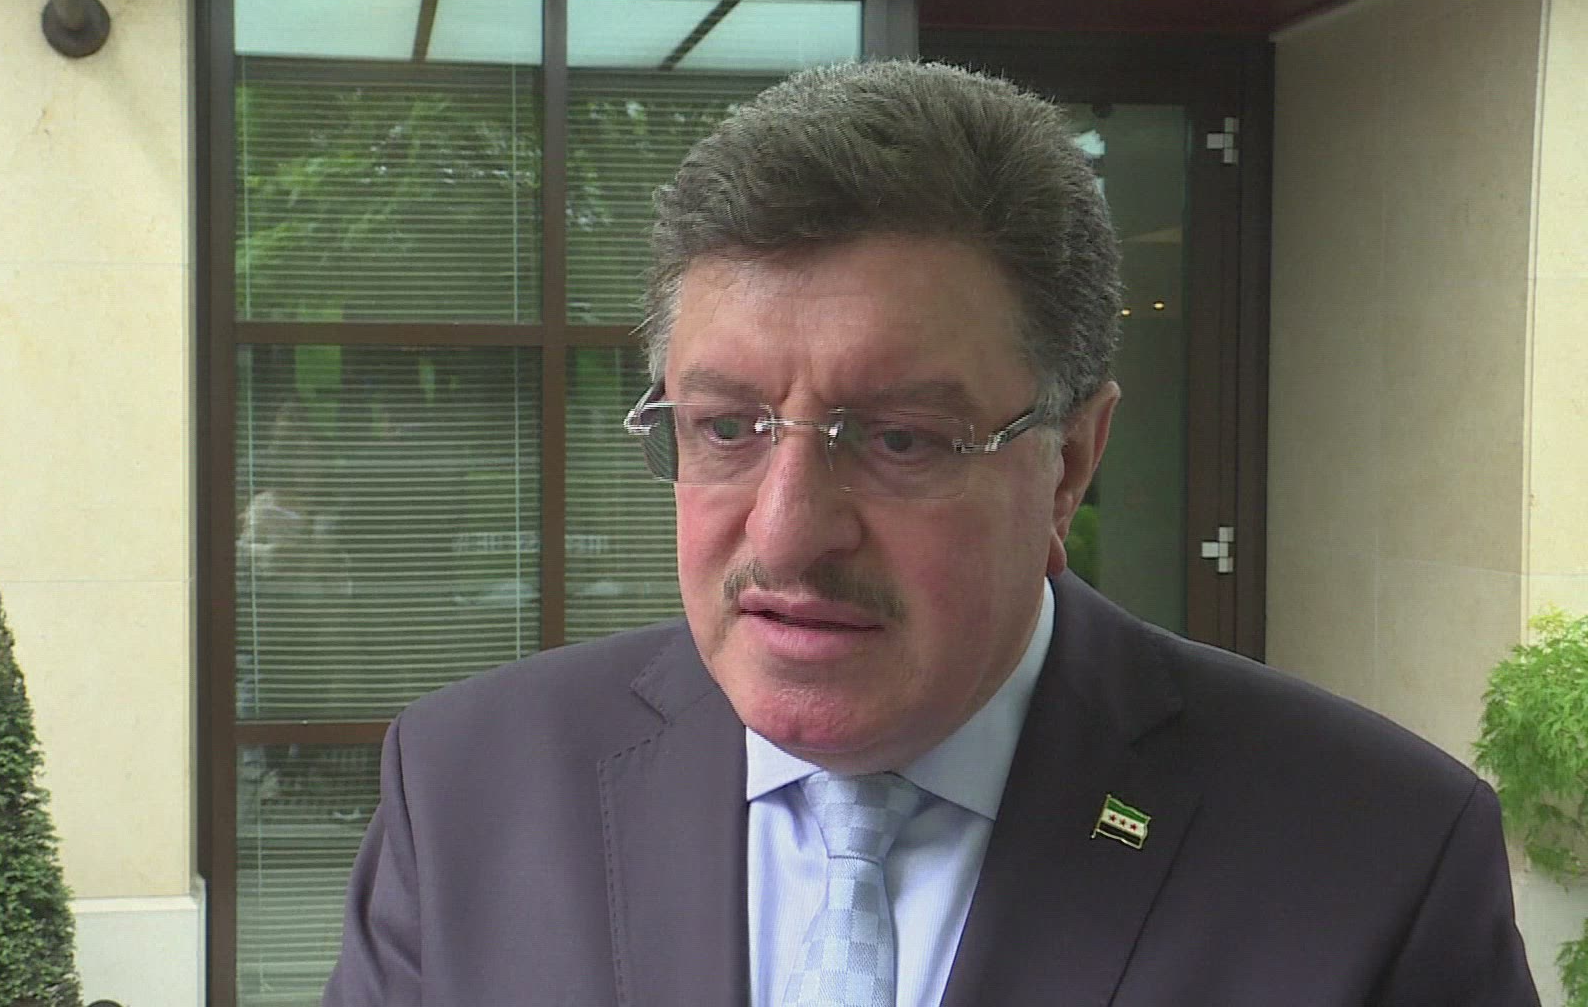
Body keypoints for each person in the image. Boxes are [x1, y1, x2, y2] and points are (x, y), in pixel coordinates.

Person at [322, 60, 1536, 1006]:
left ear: (1070, 464)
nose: (788, 536)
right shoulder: (470, 787)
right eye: (728, 427)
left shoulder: (1373, 851)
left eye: (901, 439)